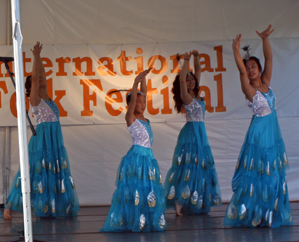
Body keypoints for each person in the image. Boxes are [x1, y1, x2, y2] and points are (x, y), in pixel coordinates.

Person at [223, 25, 293, 228]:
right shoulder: (250, 91)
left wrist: (264, 39)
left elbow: (270, 59)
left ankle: (270, 212)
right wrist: (236, 52)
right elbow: (241, 72)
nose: (251, 69)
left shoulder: (267, 83)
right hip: (260, 135)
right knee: (261, 173)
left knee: (272, 174)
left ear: (259, 69)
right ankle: (255, 213)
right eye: (248, 67)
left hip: (272, 135)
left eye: (253, 66)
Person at [4, 42, 80, 219]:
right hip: (42, 140)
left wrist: (39, 57)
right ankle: (8, 206)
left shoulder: (49, 98)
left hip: (55, 140)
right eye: (35, 82)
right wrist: (35, 58)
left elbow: (42, 75)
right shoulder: (35, 99)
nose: (40, 81)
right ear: (30, 88)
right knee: (30, 173)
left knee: (54, 171)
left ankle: (51, 205)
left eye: (41, 80)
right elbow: (37, 76)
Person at [100, 69, 166, 232]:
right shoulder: (131, 117)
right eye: (138, 102)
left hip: (148, 158)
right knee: (136, 190)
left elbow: (143, 93)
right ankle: (134, 220)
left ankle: (145, 219)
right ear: (131, 104)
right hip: (137, 158)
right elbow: (135, 98)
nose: (142, 104)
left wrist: (144, 80)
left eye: (144, 102)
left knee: (147, 189)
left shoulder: (144, 117)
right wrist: (135, 82)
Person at [163, 51, 221, 216]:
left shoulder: (197, 94)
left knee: (199, 167)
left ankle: (196, 201)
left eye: (192, 79)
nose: (190, 81)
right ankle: (179, 204)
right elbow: (182, 80)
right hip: (191, 133)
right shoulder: (186, 96)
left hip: (200, 133)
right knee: (188, 167)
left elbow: (198, 71)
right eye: (187, 80)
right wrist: (186, 61)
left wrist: (196, 57)